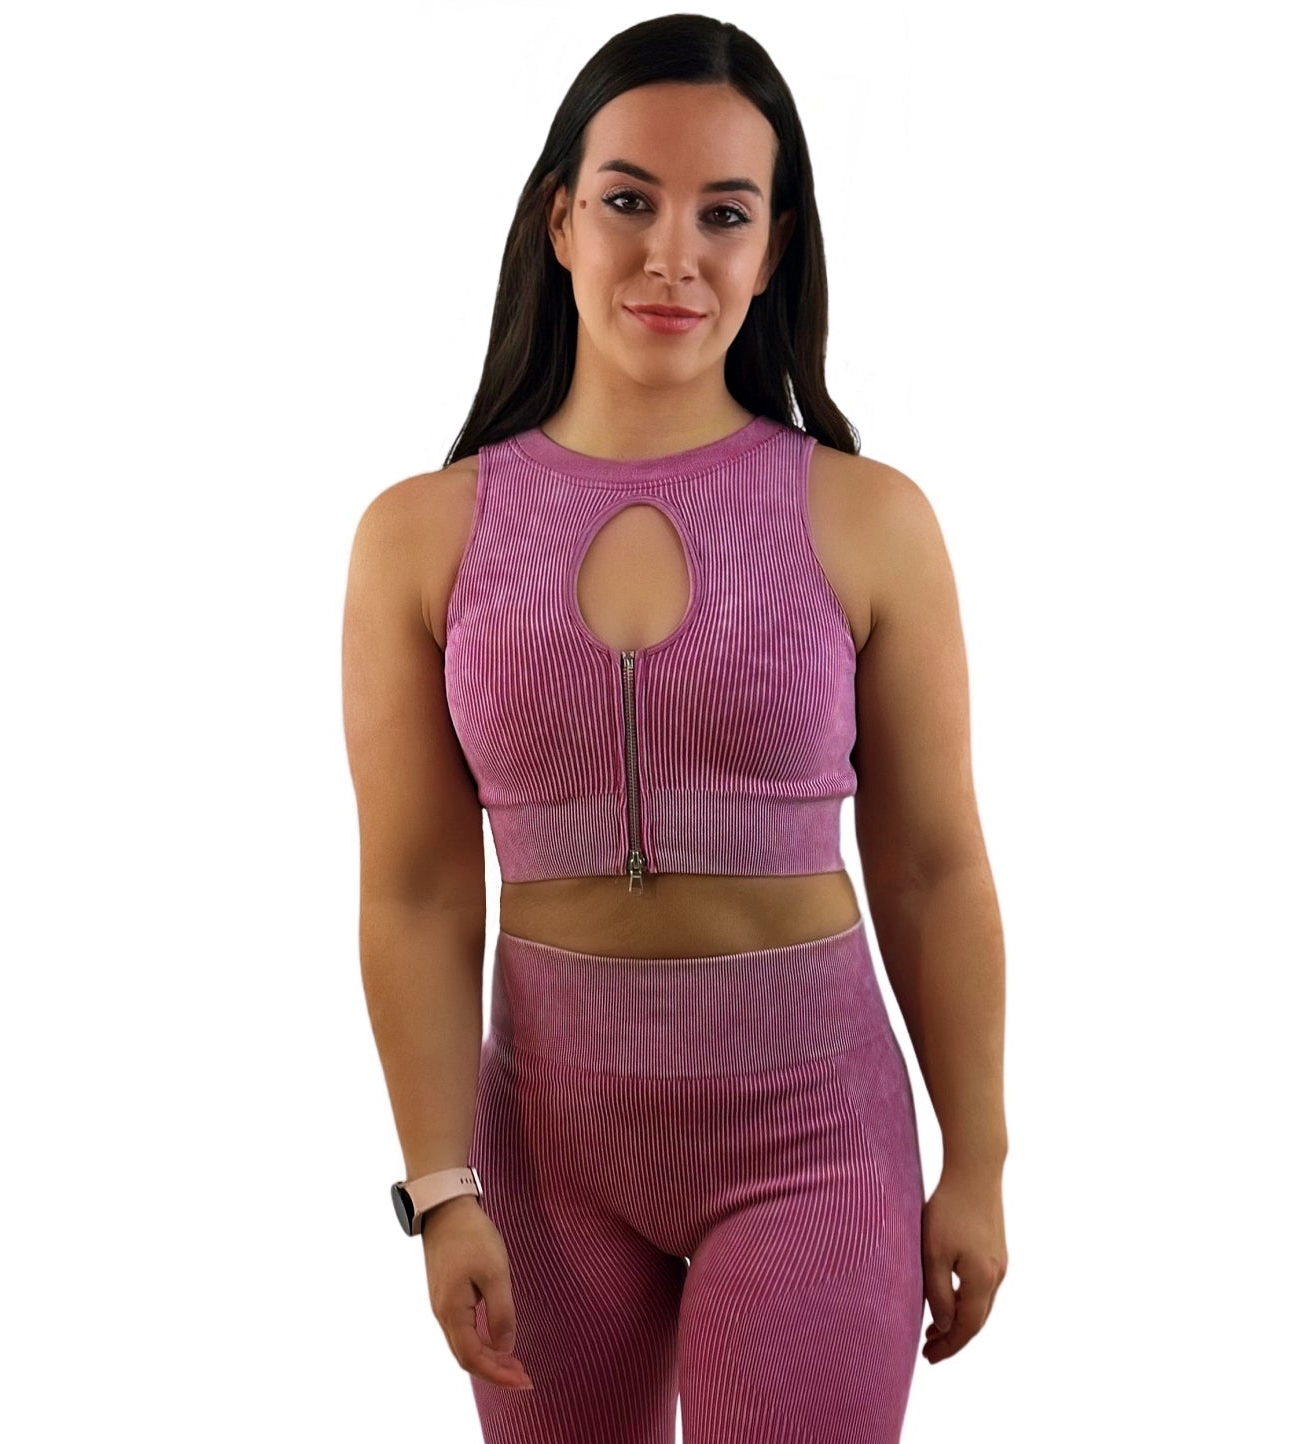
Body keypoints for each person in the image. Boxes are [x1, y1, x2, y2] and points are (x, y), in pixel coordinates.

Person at [341, 13, 1008, 1443]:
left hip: (814, 1139)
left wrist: (979, 1162)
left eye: (724, 213)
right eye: (630, 199)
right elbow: (416, 889)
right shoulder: (420, 537)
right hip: (544, 1151)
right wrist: (440, 1186)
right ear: (559, 220)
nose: (672, 255)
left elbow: (932, 866)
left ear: (774, 250)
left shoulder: (869, 519)